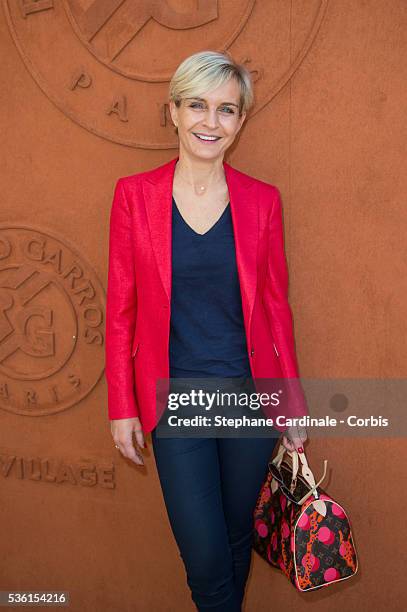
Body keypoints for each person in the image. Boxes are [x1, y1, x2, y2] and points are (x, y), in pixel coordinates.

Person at [106, 50, 308, 612]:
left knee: (238, 538)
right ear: (172, 111)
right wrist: (122, 406)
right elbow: (120, 308)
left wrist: (290, 402)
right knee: (206, 558)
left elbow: (275, 310)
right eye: (196, 105)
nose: (209, 123)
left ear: (241, 121)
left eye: (226, 110)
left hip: (248, 401)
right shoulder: (134, 196)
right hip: (177, 406)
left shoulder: (262, 202)